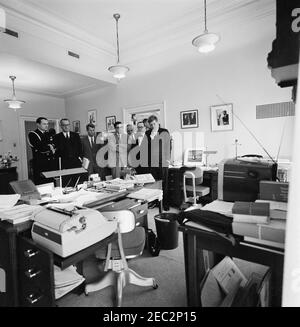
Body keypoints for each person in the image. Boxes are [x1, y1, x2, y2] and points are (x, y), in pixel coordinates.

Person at [145, 115, 171, 211]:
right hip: (151, 163)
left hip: (163, 162)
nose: (152, 126)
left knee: (164, 183)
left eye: (154, 124)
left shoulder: (164, 131)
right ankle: (155, 203)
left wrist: (168, 159)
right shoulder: (147, 133)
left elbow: (168, 145)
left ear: (157, 122)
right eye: (151, 125)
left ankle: (165, 204)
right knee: (154, 184)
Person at [54, 118, 84, 186]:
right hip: (64, 165)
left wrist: (80, 159)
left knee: (77, 183)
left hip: (75, 163)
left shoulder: (76, 135)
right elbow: (57, 152)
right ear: (61, 126)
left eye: (67, 125)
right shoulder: (57, 137)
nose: (66, 126)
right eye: (64, 125)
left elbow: (80, 148)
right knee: (66, 183)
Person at [27, 117, 56, 185]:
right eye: (44, 124)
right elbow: (41, 148)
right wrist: (50, 146)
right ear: (38, 124)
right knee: (42, 185)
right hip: (40, 164)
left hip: (50, 164)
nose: (46, 125)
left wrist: (50, 146)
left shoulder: (48, 134)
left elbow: (54, 145)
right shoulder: (33, 134)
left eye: (47, 124)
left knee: (52, 184)